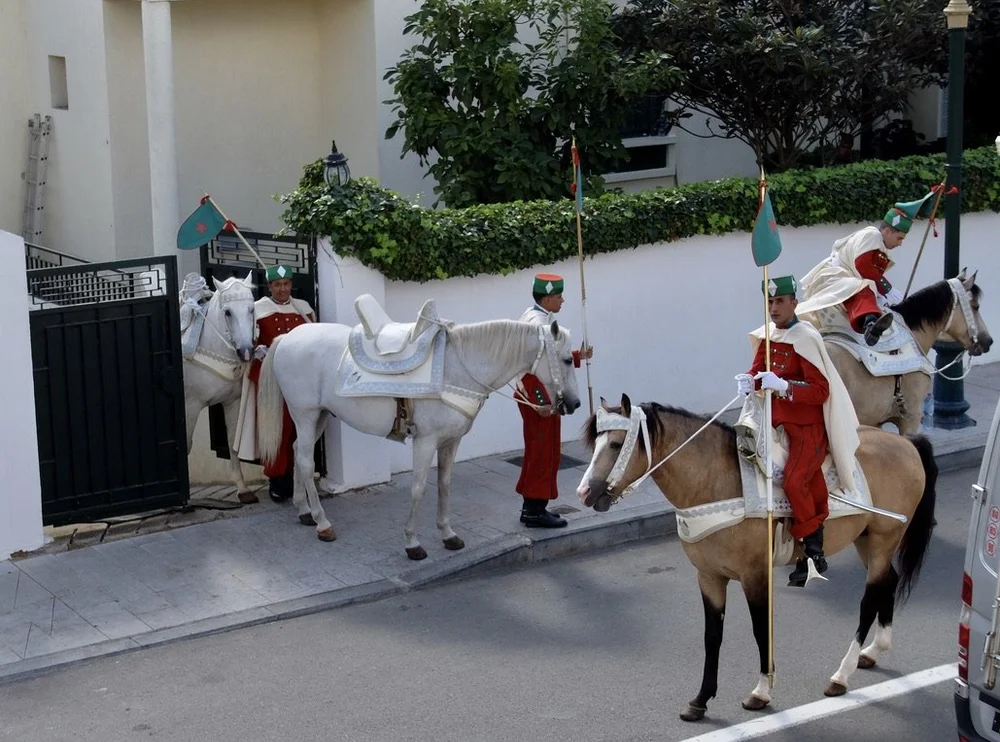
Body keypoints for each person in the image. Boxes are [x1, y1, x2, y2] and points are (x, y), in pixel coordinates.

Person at [735, 275, 861, 587]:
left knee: (794, 480)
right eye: (769, 302)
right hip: (773, 422)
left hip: (806, 428)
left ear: (794, 302)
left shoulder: (805, 337)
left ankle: (814, 550)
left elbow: (820, 391)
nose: (773, 308)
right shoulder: (768, 336)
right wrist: (749, 380)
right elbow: (757, 369)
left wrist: (785, 386)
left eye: (779, 301)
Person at [795, 190, 937, 346]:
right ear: (887, 231)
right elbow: (863, 267)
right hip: (834, 277)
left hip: (847, 281)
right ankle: (870, 323)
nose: (900, 243)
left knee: (874, 296)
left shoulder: (880, 247)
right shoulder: (872, 235)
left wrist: (883, 295)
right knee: (863, 287)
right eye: (899, 238)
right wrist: (887, 289)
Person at [514, 273, 592, 528]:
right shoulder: (538, 325)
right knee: (542, 454)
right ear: (547, 299)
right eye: (559, 296)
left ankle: (535, 507)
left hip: (542, 397)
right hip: (539, 399)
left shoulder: (538, 318)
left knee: (544, 452)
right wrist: (539, 401)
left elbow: (551, 359)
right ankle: (534, 511)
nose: (562, 300)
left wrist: (577, 356)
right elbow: (526, 368)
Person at [235, 264, 315, 503]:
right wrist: (257, 350)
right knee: (276, 430)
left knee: (300, 430)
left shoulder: (303, 308)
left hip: (301, 380)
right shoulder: (258, 309)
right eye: (277, 285)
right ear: (269, 286)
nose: (282, 289)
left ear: (291, 284)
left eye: (286, 284)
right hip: (272, 380)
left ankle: (299, 477)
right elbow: (247, 340)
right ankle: (278, 479)